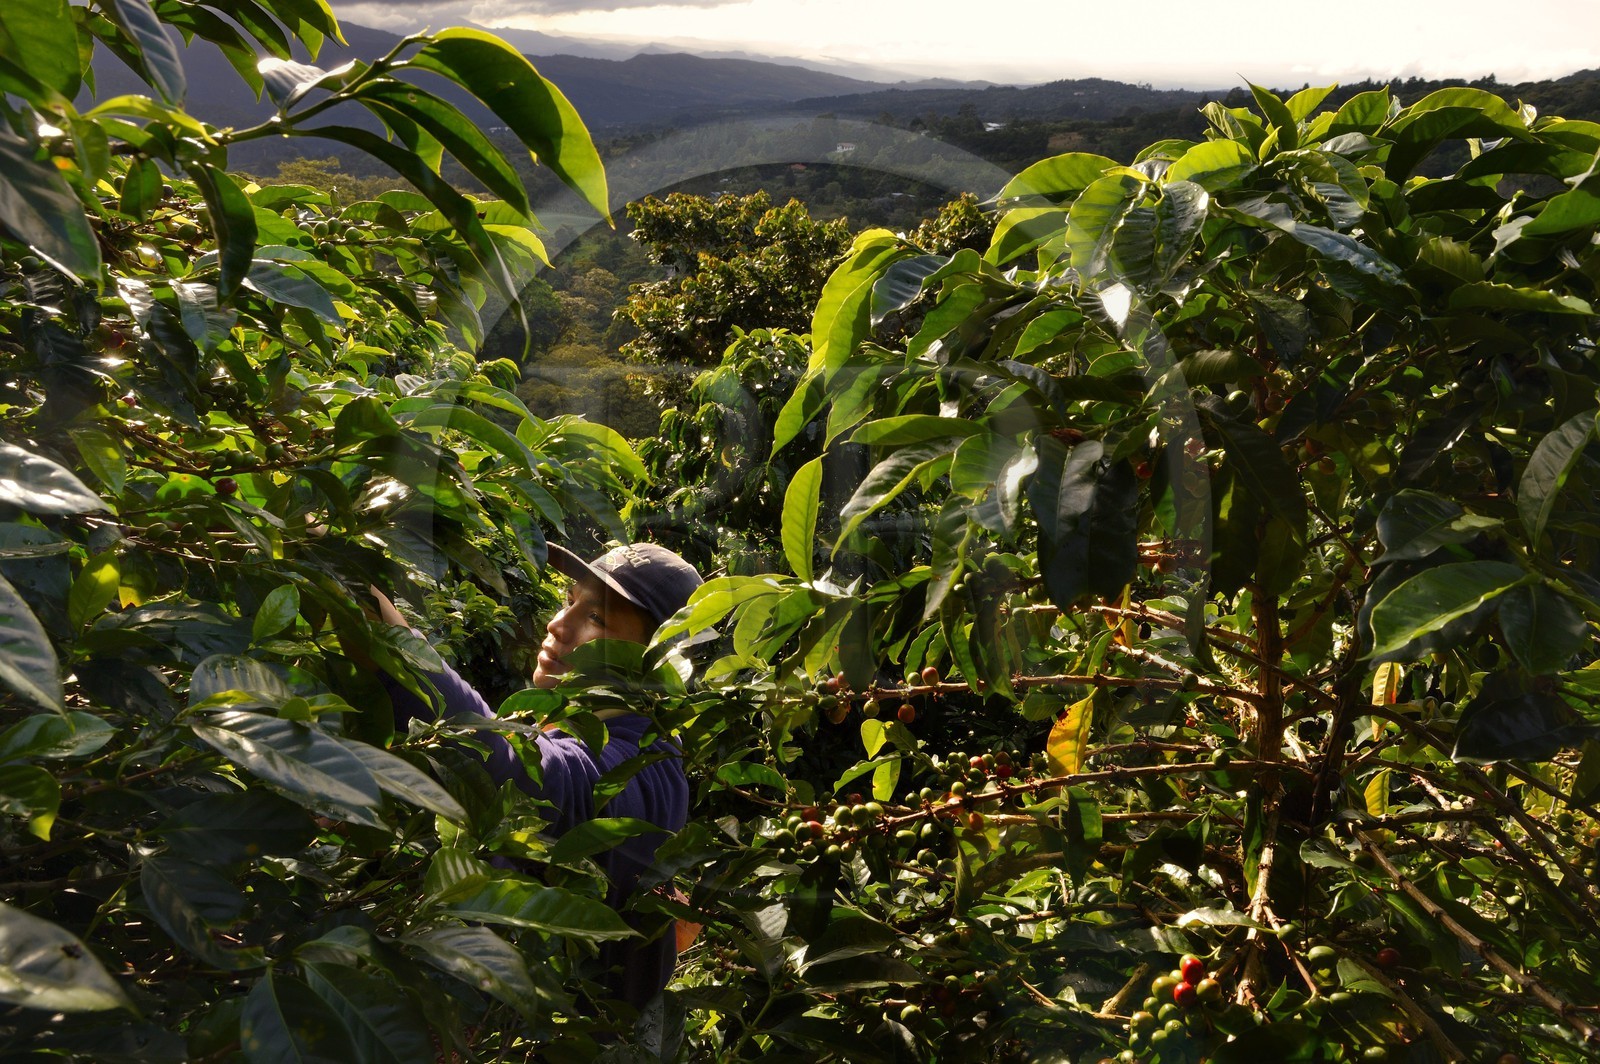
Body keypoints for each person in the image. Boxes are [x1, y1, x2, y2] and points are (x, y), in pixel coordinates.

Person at [372, 542, 703, 1011]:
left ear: (658, 660)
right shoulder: (568, 724)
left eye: (598, 619)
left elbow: (527, 778)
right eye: (569, 602)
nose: (558, 625)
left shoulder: (647, 769)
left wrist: (386, 633)